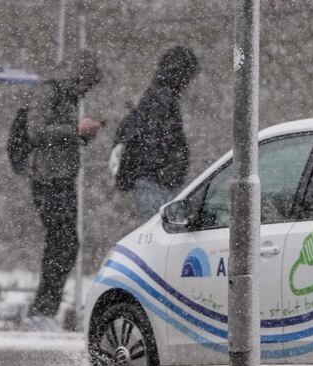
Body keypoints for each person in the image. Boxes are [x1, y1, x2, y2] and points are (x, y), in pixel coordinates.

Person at [24, 50, 103, 331]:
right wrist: (75, 129)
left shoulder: (65, 96)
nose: (85, 91)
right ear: (77, 77)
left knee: (64, 243)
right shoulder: (50, 91)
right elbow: (36, 131)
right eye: (85, 84)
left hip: (61, 177)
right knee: (64, 242)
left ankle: (45, 307)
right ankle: (42, 309)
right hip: (49, 179)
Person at [113, 46, 199, 221]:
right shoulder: (162, 100)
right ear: (182, 76)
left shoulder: (157, 97)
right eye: (191, 77)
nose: (192, 83)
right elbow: (157, 143)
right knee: (161, 230)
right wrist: (171, 170)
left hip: (154, 181)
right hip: (157, 184)